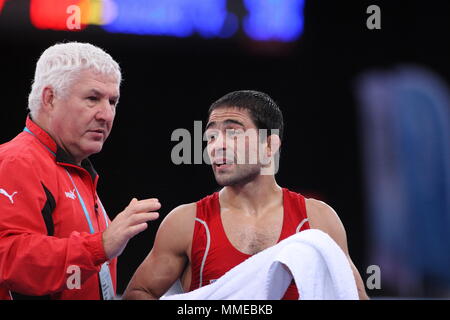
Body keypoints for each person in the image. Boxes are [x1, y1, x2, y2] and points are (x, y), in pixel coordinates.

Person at [123, 90, 369, 300]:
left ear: (269, 145)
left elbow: (353, 295)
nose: (216, 145)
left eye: (232, 133)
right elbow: (139, 292)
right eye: (211, 136)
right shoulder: (187, 222)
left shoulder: (317, 219)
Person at [0, 42, 160, 300]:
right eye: (92, 99)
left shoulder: (74, 169)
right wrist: (101, 246)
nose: (106, 115)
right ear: (49, 98)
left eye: (113, 101)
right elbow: (6, 258)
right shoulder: (16, 161)